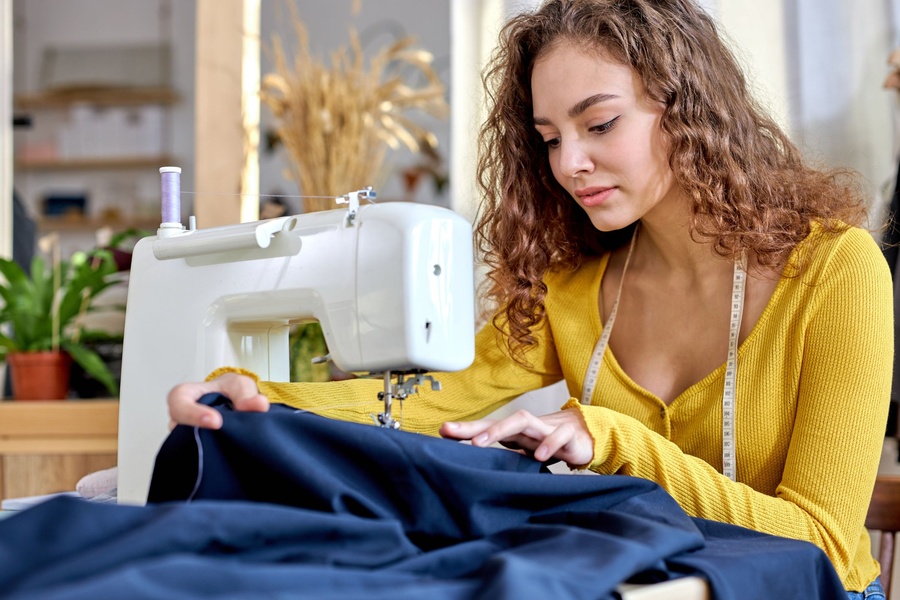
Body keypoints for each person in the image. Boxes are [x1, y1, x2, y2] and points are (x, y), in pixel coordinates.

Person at [168, 0, 893, 596]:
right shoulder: (571, 291)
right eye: (549, 138)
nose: (569, 163)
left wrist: (613, 440)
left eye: (600, 124)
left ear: (688, 109)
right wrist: (253, 397)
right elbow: (429, 401)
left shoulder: (834, 271)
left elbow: (822, 544)